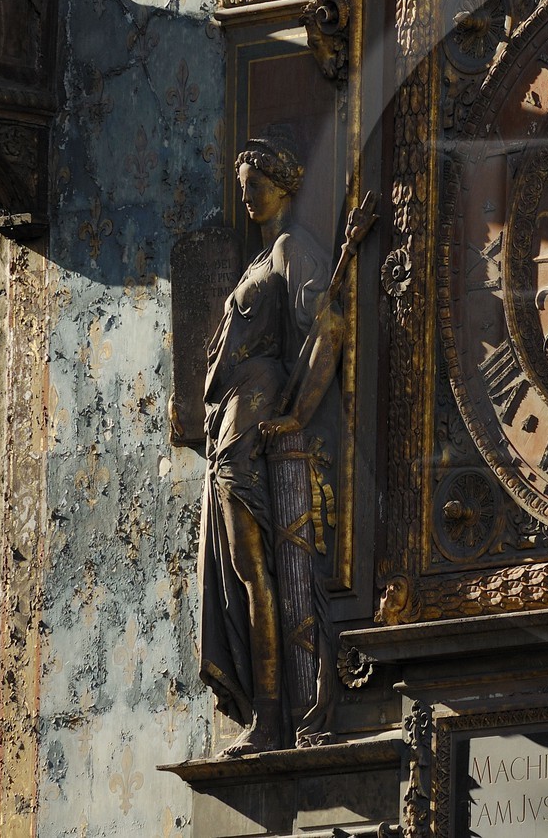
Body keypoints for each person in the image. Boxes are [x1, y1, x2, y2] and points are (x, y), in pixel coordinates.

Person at [198, 127, 343, 755]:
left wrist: (298, 414)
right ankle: (265, 709)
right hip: (233, 421)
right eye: (243, 187)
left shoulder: (293, 250)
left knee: (258, 572)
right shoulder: (262, 260)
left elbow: (328, 330)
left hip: (255, 426)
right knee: (241, 567)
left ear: (282, 184)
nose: (248, 195)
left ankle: (271, 714)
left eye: (256, 184)